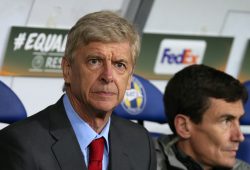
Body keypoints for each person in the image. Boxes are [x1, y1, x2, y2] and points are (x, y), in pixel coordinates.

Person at [0, 11, 156, 170]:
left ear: (130, 78)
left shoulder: (141, 142)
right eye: (94, 61)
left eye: (119, 65)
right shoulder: (19, 145)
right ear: (67, 70)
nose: (108, 76)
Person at [155, 64, 250, 170]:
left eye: (239, 120)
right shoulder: (142, 163)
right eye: (226, 121)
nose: (239, 137)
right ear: (184, 127)